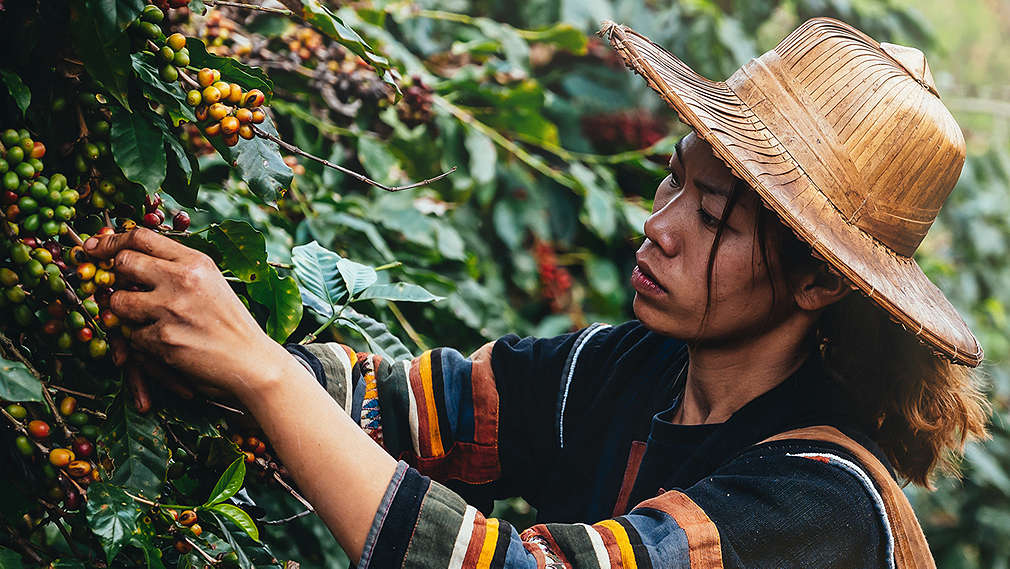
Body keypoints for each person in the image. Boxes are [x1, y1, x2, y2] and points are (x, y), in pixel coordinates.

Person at [84, 17, 989, 569]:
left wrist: (262, 378)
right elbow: (397, 409)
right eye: (673, 180)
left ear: (821, 279)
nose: (659, 224)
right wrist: (204, 339)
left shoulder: (819, 508)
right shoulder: (630, 372)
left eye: (713, 213)